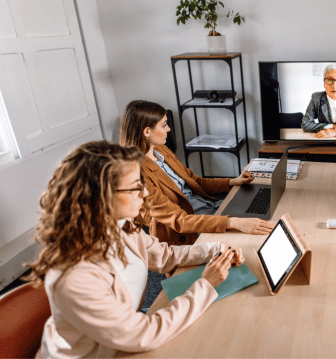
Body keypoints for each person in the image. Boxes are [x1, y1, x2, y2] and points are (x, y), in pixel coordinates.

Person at [26, 141, 243, 358]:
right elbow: (143, 335)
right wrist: (206, 285)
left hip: (121, 336)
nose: (146, 192)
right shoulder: (73, 275)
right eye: (135, 186)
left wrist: (217, 250)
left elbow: (166, 256)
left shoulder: (120, 226)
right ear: (100, 196)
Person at [120, 100, 273, 246]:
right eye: (164, 125)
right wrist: (233, 222)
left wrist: (232, 182)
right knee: (255, 238)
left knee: (266, 214)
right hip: (188, 229)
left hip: (205, 208)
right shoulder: (137, 175)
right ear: (147, 131)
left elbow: (195, 181)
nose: (169, 129)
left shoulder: (159, 149)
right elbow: (180, 220)